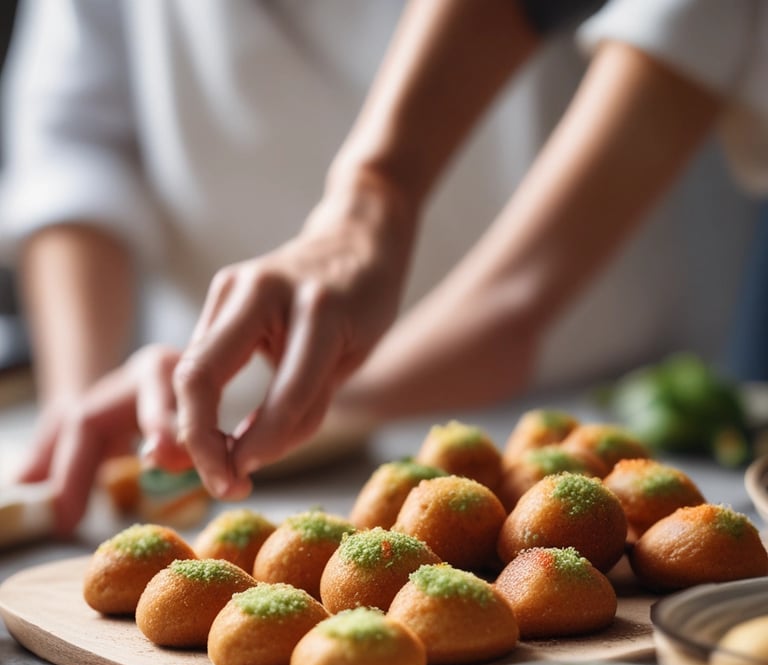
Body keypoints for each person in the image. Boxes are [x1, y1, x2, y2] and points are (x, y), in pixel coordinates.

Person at [1, 0, 761, 531]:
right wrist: (78, 400)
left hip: (580, 379)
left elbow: (512, 314)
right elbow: (72, 137)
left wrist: (371, 200)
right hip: (249, 443)